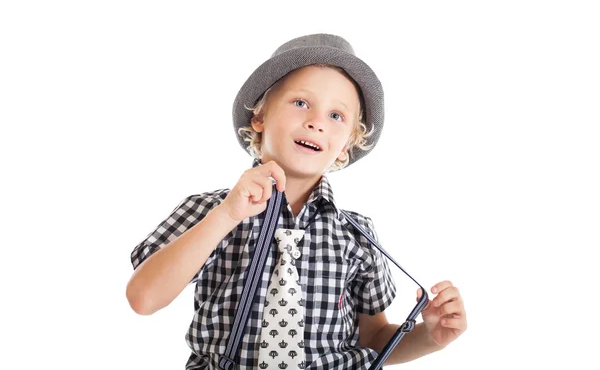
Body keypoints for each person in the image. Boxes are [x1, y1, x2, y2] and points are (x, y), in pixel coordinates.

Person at [126, 33, 467, 369]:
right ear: (258, 117)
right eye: (301, 103)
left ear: (347, 145)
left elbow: (374, 339)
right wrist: (226, 216)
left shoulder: (357, 235)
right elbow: (143, 298)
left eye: (336, 116)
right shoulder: (210, 211)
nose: (316, 122)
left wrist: (430, 337)